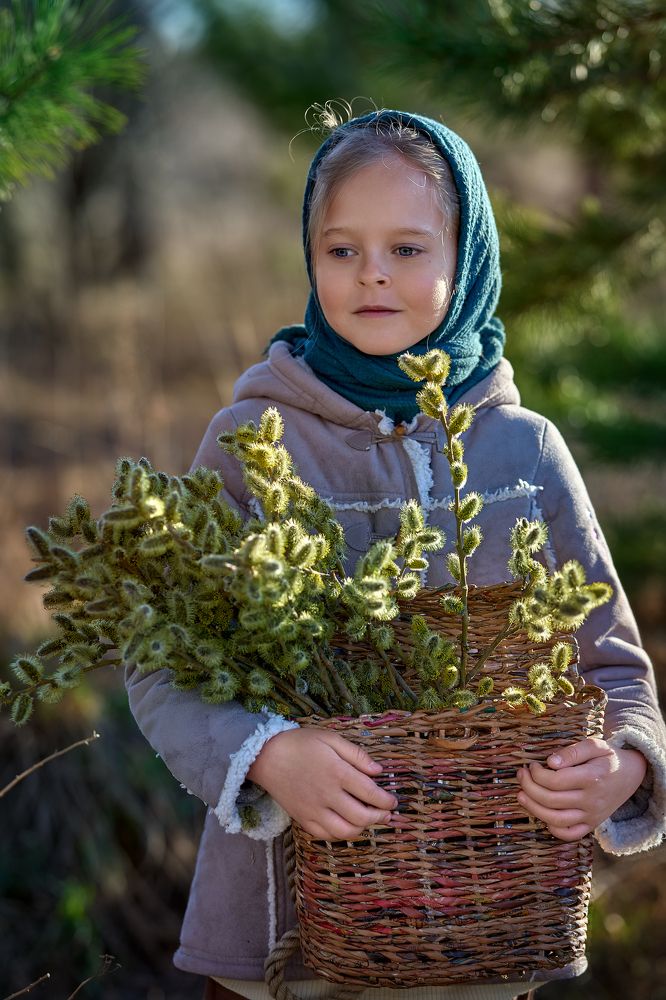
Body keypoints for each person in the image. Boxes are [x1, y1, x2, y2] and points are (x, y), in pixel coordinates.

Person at [125, 108, 666, 1000]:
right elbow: (159, 659)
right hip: (285, 939)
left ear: (468, 257)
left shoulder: (525, 452)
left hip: (487, 930)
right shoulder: (253, 438)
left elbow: (614, 665)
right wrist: (267, 755)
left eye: (408, 249)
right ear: (311, 258)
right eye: (342, 249)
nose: (371, 273)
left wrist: (625, 765)